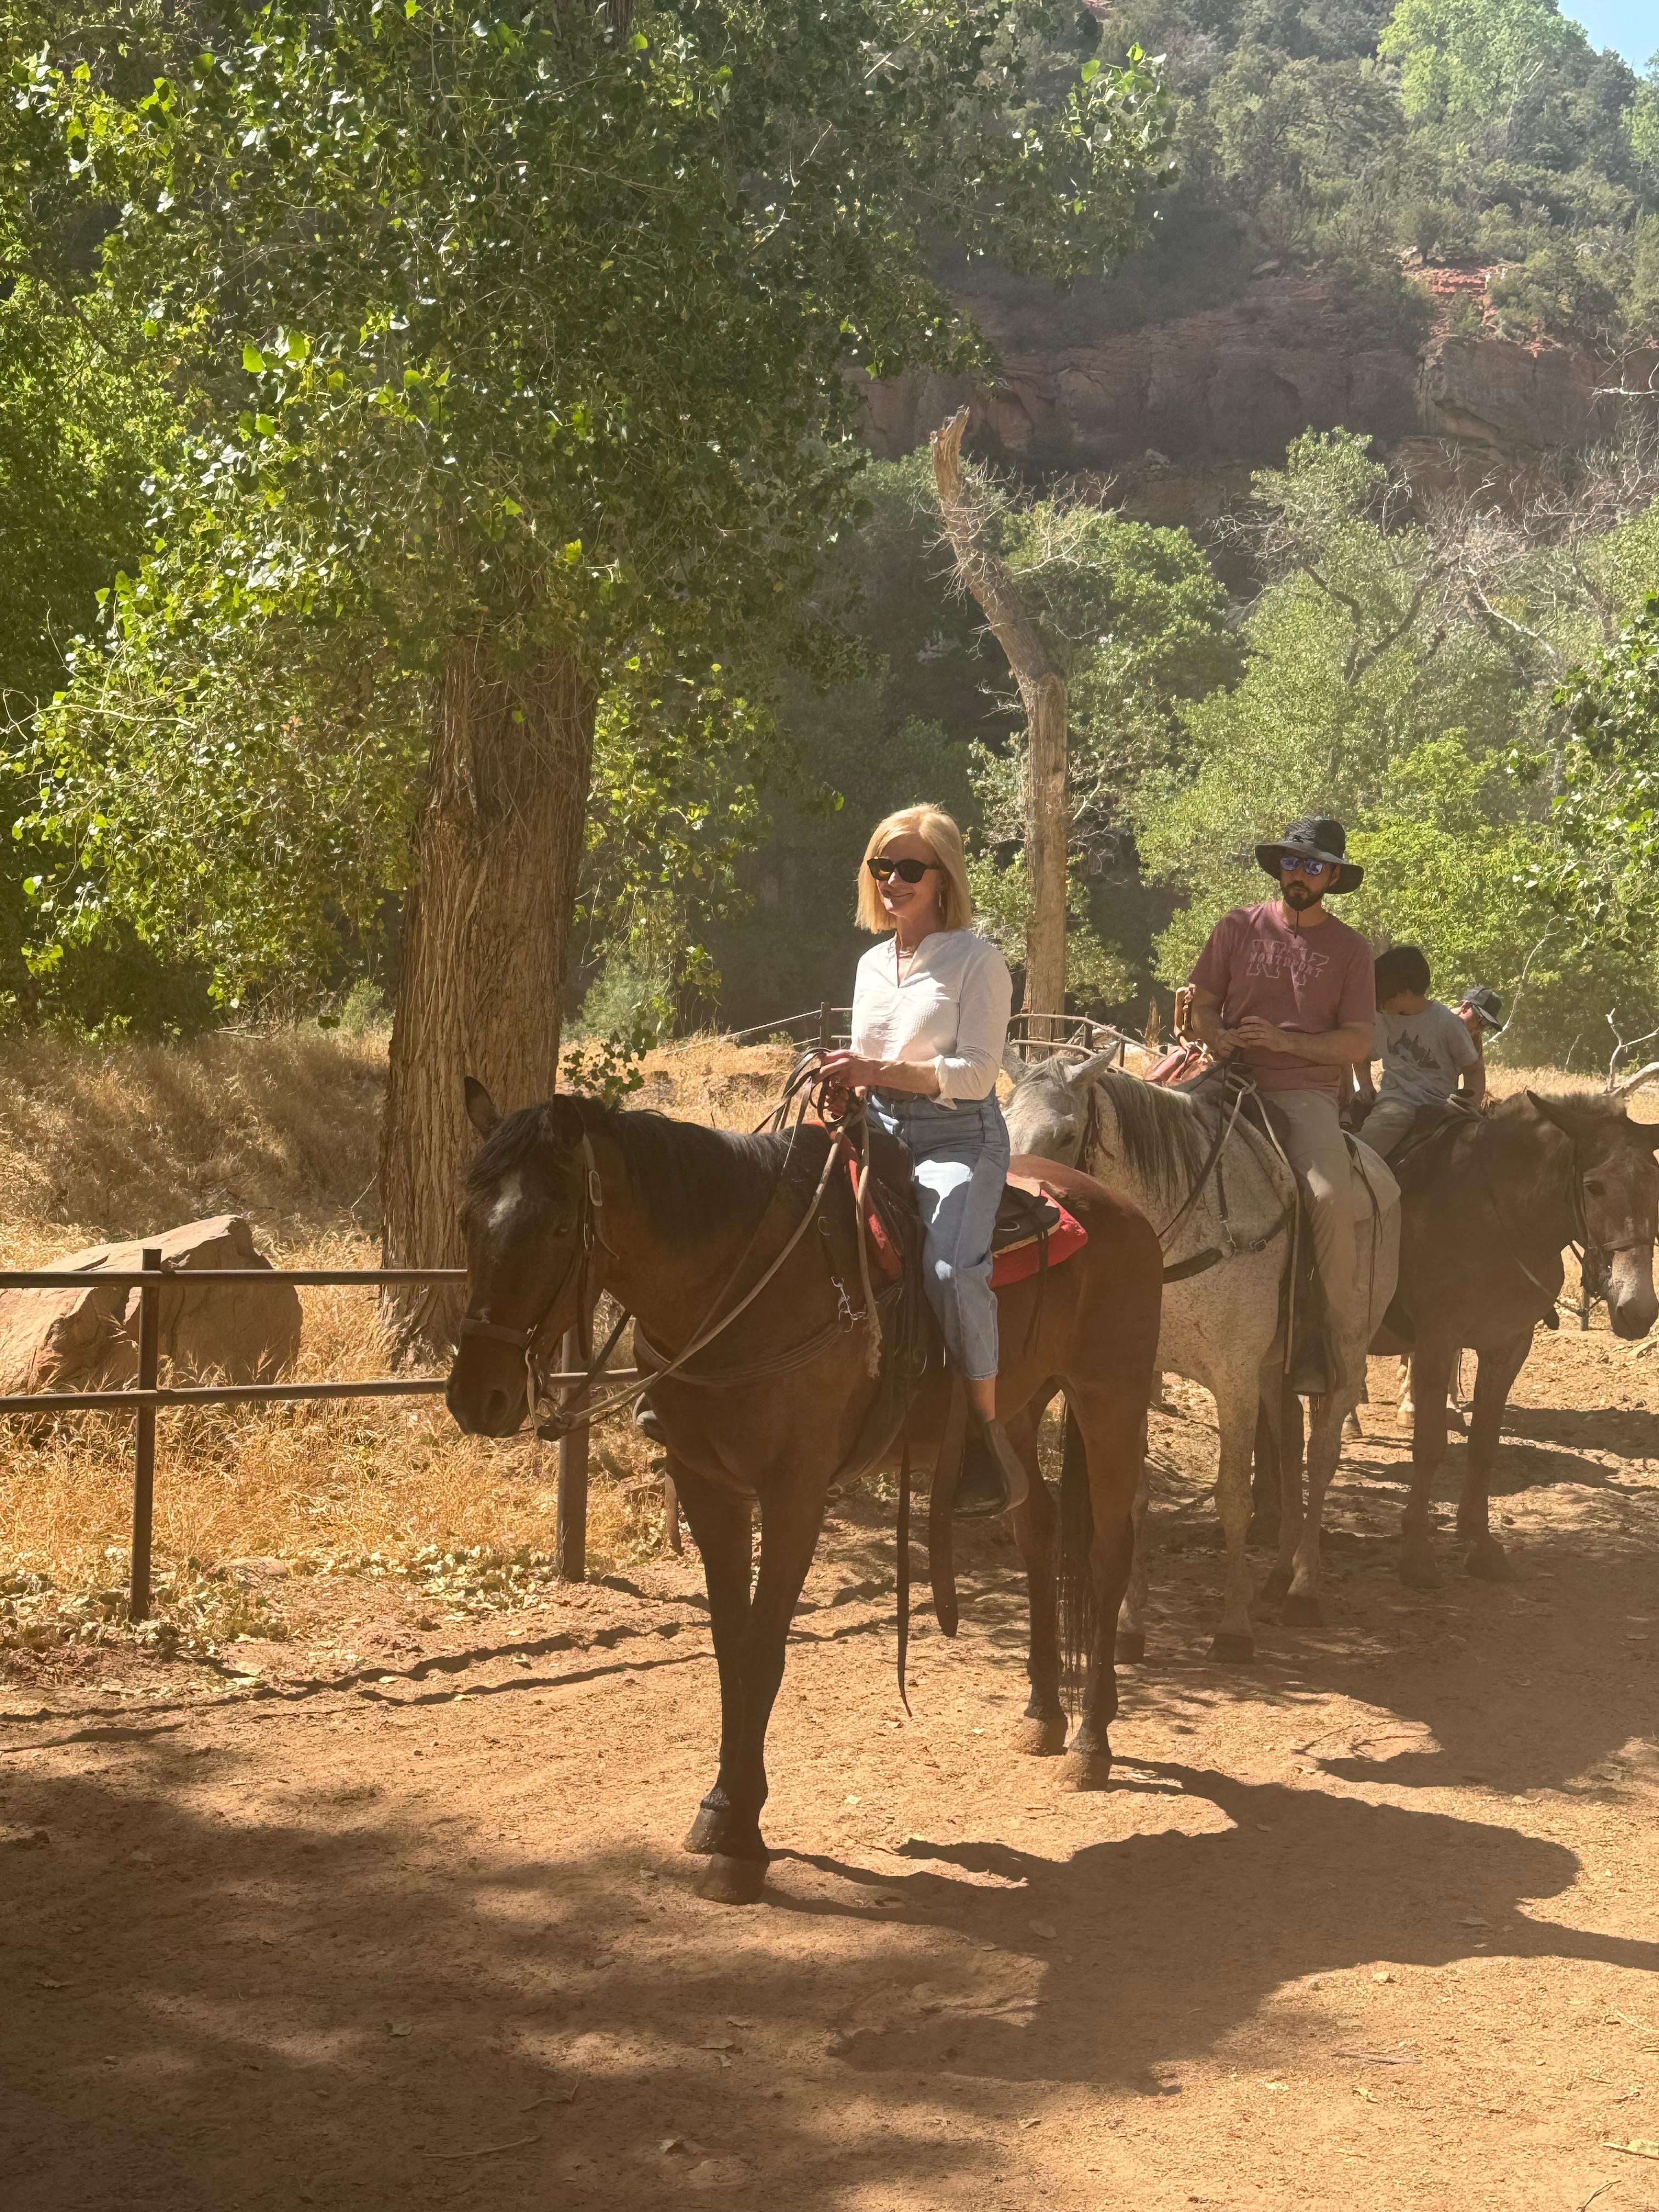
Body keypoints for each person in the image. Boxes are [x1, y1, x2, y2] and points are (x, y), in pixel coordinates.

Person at [815, 804, 1023, 1515]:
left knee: (950, 1270)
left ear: (943, 879)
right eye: (883, 867)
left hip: (957, 1137)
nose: (894, 881)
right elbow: (870, 1060)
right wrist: (844, 1078)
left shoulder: (978, 960)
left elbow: (973, 1075)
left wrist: (876, 1070)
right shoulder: (871, 963)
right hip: (876, 1129)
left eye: (911, 869)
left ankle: (982, 1441)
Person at [1186, 815, 1376, 1386]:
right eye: (1292, 862)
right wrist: (1215, 1036)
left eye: (1313, 866)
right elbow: (1204, 1002)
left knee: (1328, 1195)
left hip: (1304, 1091)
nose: (1299, 874)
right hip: (1227, 1077)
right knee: (1150, 1146)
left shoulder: (1351, 950)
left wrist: (1286, 1041)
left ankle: (1334, 1339)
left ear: (1332, 878)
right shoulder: (1238, 926)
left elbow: (1357, 1041)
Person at [1353, 943, 1485, 1157]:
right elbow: (1361, 1055)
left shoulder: (1447, 1024)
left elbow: (1474, 1069)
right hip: (1397, 1104)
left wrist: (1470, 1108)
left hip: (1442, 1109)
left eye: (1384, 994)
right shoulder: (1382, 1019)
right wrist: (1365, 1085)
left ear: (1405, 992)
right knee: (1363, 1153)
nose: (1379, 1002)